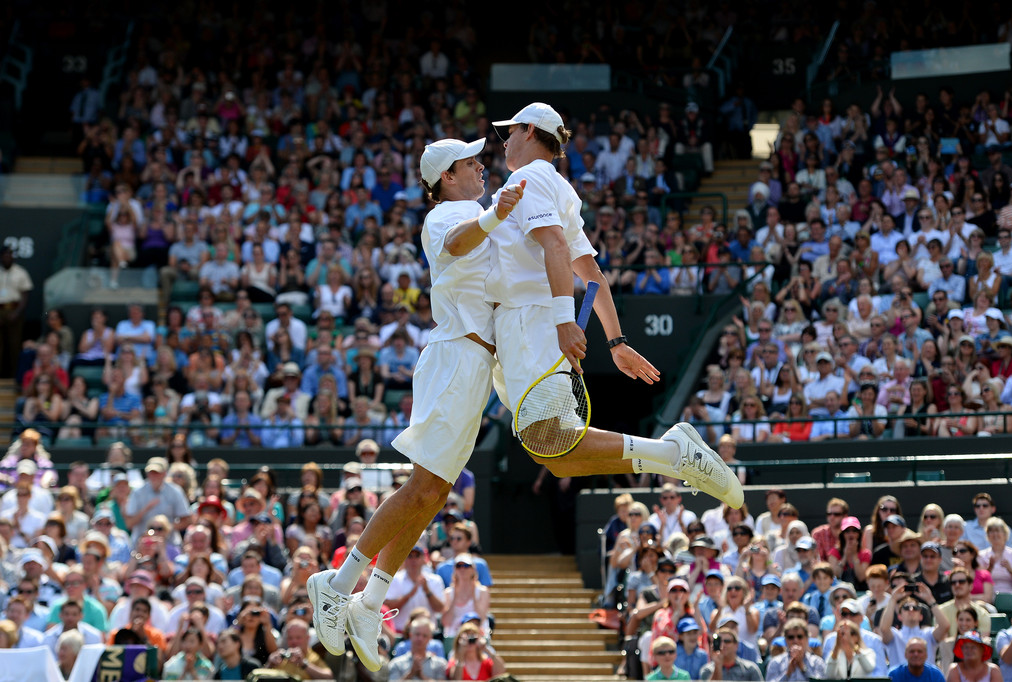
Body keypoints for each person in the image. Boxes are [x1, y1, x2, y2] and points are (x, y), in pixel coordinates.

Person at [306, 138, 526, 672]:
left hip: (474, 366)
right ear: (446, 177)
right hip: (454, 360)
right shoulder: (446, 215)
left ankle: (370, 601)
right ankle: (335, 584)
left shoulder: (476, 210)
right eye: (470, 163)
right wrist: (498, 212)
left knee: (432, 495)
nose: (481, 167)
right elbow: (454, 244)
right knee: (422, 488)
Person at [485, 102, 740, 501]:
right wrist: (617, 342)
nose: (503, 142)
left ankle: (672, 452)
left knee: (549, 442)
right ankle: (670, 456)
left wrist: (563, 321)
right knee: (555, 456)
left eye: (510, 132)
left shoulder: (531, 178)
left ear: (530, 131)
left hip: (527, 323)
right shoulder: (559, 187)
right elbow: (593, 276)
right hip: (526, 326)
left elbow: (555, 246)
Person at [0, 245, 33, 379]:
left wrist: (17, 312)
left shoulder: (21, 272)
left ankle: (15, 377)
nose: (8, 257)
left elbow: (25, 295)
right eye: (5, 255)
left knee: (14, 346)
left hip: (14, 311)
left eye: (10, 255)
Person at [698, 626, 764, 680]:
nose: (723, 645)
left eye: (727, 641)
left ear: (736, 645)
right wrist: (717, 666)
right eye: (719, 641)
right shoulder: (707, 670)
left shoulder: (750, 669)